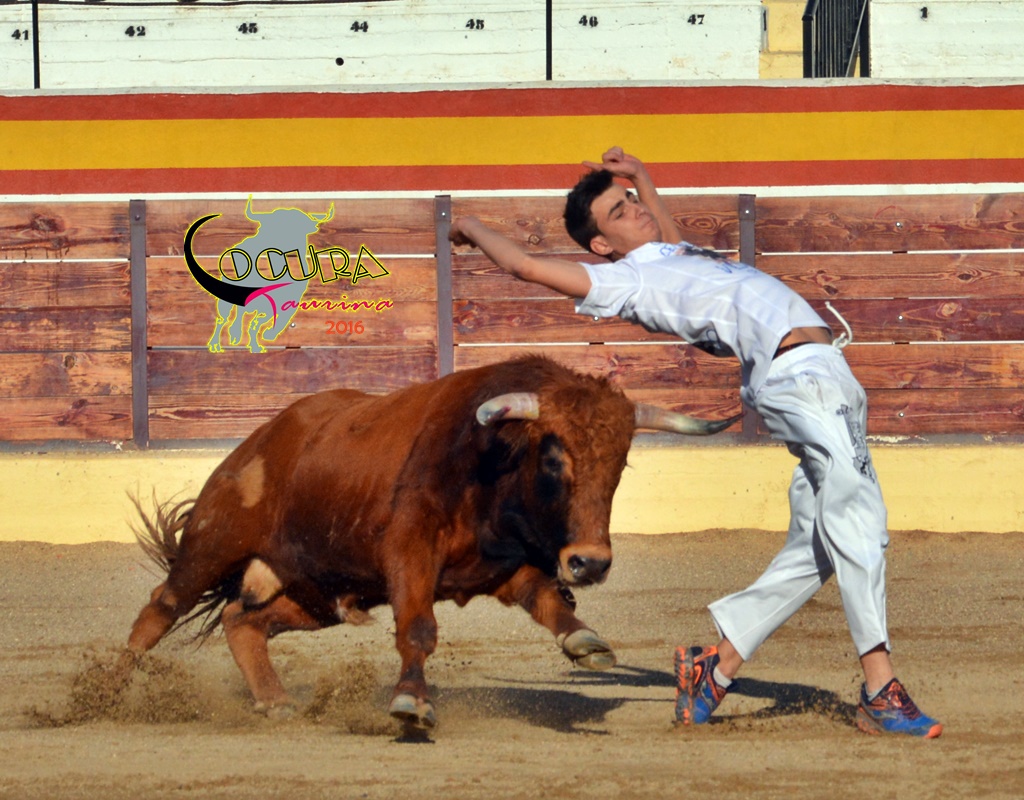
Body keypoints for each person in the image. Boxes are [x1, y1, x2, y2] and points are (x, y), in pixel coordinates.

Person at [448, 146, 942, 738]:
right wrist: (470, 225)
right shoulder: (623, 281)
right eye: (618, 211)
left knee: (818, 544)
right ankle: (880, 688)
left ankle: (716, 670)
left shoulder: (672, 255)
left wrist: (642, 178)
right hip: (798, 379)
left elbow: (666, 231)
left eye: (630, 201)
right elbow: (525, 266)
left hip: (828, 374)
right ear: (601, 245)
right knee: (859, 516)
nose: (635, 210)